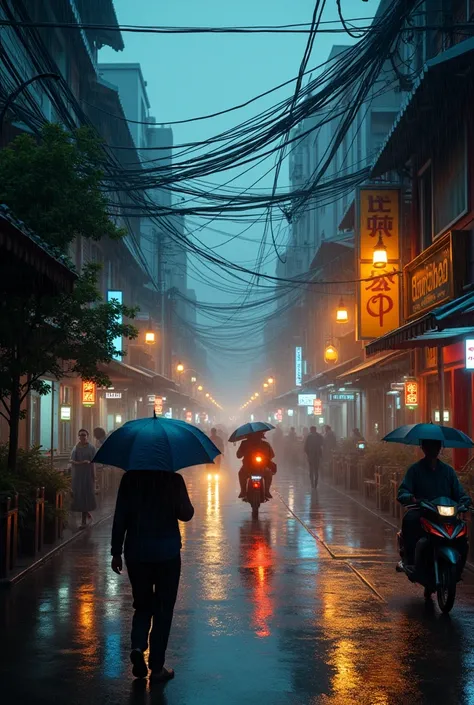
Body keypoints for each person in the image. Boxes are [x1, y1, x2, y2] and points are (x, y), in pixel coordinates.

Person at [111, 470, 194, 682]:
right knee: (164, 608)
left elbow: (120, 515)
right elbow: (186, 514)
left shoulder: (130, 479)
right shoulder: (173, 479)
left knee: (142, 604)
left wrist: (116, 552)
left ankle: (138, 646)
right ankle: (156, 668)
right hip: (167, 553)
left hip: (137, 552)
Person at [397, 439, 471, 567]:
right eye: (429, 446)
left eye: (436, 446)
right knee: (409, 520)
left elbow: (459, 492)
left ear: (440, 447)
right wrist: (412, 498)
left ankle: (460, 565)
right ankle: (410, 560)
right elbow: (403, 492)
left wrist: (465, 501)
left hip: (446, 514)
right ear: (423, 448)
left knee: (462, 534)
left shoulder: (448, 471)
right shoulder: (415, 470)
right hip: (424, 512)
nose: (433, 449)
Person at [237, 431, 275, 499]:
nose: (255, 438)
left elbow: (271, 455)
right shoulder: (244, 444)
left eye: (257, 436)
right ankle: (243, 491)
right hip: (248, 467)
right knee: (241, 473)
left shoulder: (265, 444)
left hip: (260, 467)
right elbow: (239, 455)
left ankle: (266, 491)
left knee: (269, 473)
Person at [70, 429, 97, 528]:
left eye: (84, 435)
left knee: (87, 494)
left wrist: (94, 475)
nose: (82, 437)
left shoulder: (92, 448)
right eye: (81, 435)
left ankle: (85, 517)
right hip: (78, 475)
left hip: (88, 474)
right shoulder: (76, 448)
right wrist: (82, 463)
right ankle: (83, 516)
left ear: (87, 436)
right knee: (79, 494)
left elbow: (93, 462)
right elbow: (72, 461)